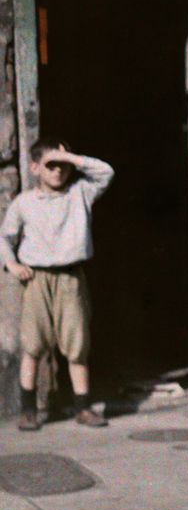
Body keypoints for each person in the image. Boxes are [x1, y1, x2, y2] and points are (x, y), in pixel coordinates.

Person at [0, 137, 114, 430]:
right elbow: (6, 236)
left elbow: (106, 173)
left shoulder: (80, 194)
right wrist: (12, 264)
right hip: (37, 278)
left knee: (77, 344)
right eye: (51, 165)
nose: (58, 172)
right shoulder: (24, 203)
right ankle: (29, 410)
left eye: (64, 166)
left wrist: (73, 159)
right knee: (33, 344)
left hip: (70, 277)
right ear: (35, 168)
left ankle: (82, 406)